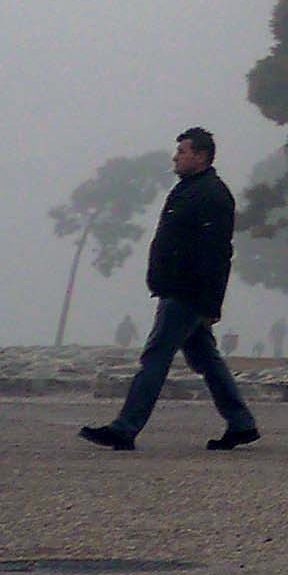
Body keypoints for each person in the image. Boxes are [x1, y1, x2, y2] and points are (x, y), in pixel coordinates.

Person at [80, 126, 260, 452]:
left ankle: (125, 428)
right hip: (178, 290)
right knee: (206, 360)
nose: (175, 158)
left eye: (182, 152)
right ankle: (241, 423)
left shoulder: (212, 195)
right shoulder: (189, 190)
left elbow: (218, 253)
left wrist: (211, 304)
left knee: (155, 357)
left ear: (201, 156)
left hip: (187, 293)